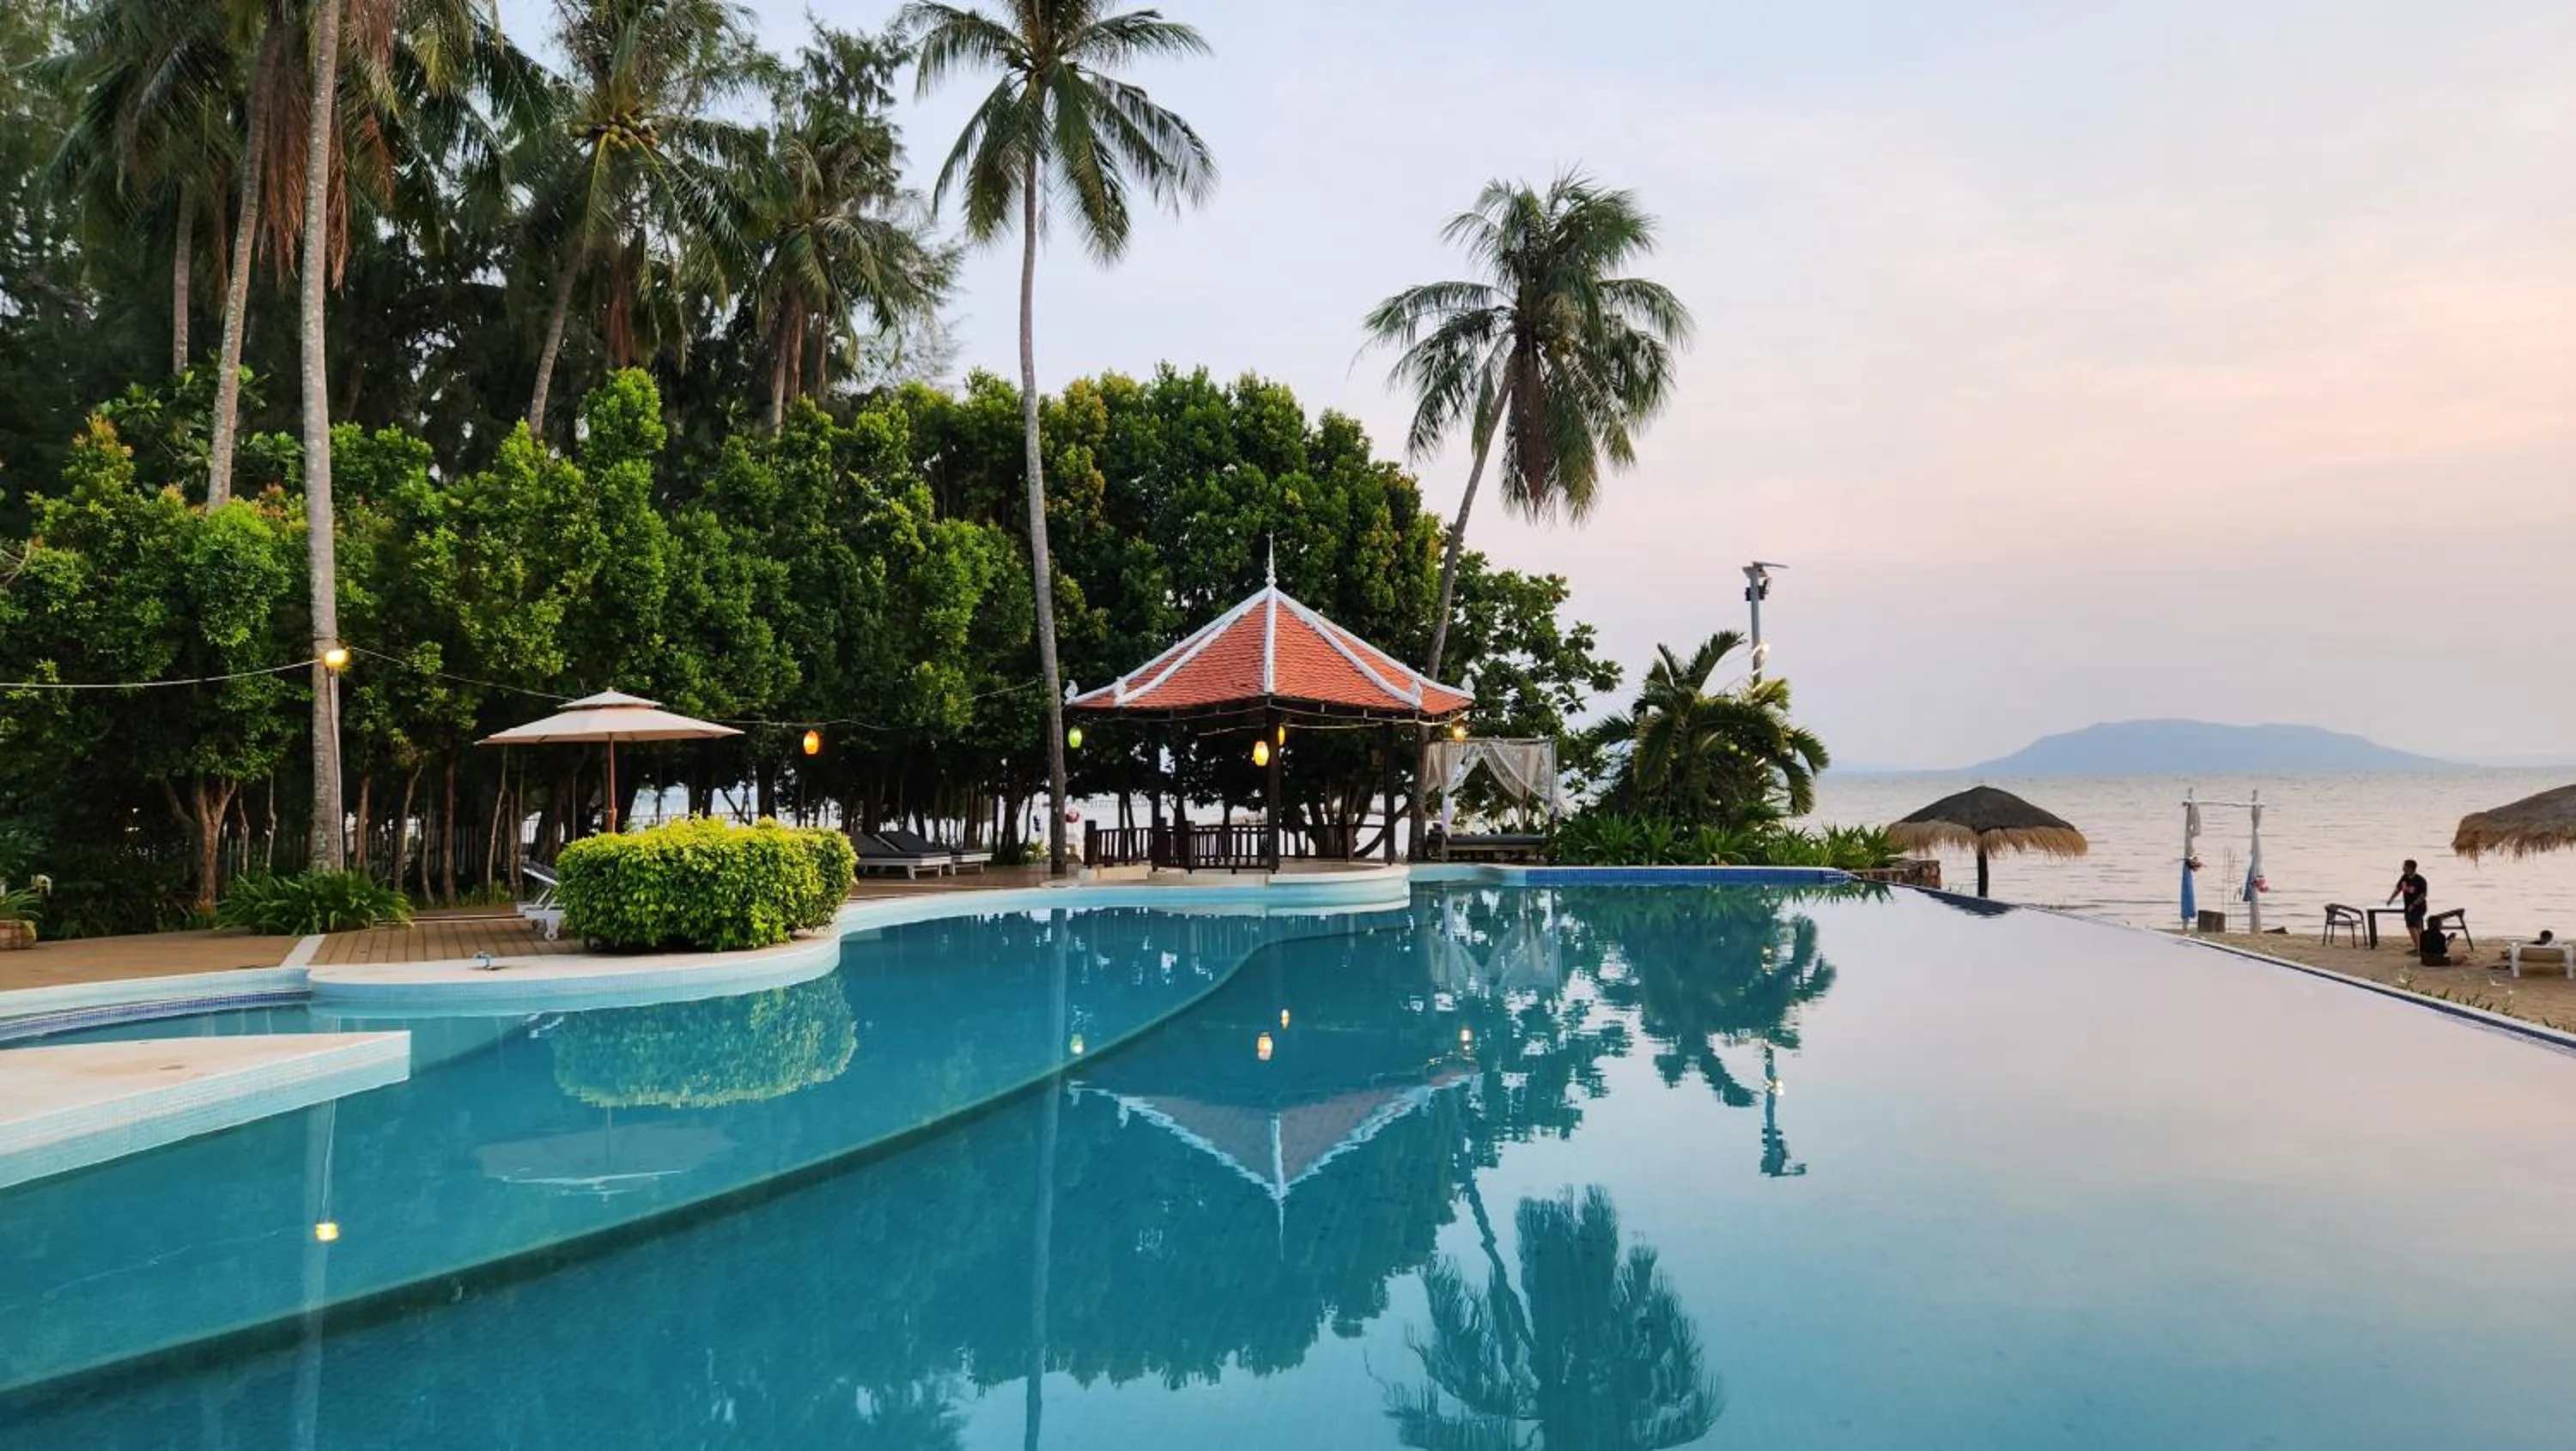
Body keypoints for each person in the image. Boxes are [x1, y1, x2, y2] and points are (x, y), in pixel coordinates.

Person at [2388, 859, 2429, 947]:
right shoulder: (2404, 877)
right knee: (2415, 927)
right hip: (2408, 906)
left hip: (2419, 907)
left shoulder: (2420, 880)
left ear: (2410, 868)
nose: (2403, 868)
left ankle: (2419, 948)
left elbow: (2423, 895)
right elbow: (2399, 889)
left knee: (2412, 926)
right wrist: (2391, 899)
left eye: (2405, 866)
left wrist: (2414, 905)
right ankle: (2421, 947)